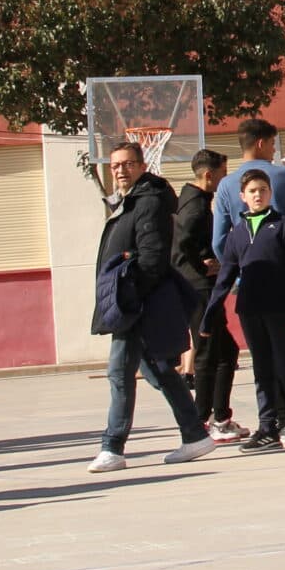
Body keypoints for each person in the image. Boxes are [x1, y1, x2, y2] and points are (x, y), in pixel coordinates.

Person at [89, 140, 214, 472]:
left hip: (138, 303)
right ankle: (194, 434)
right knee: (159, 371)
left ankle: (112, 447)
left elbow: (152, 256)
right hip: (135, 299)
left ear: (143, 166)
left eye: (128, 164)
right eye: (115, 165)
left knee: (119, 373)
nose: (120, 170)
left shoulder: (149, 200)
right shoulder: (132, 200)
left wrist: (130, 296)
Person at [211, 121, 285, 440]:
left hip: (248, 287)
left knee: (261, 362)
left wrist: (241, 267)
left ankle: (272, 423)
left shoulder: (225, 186)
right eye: (274, 143)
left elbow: (219, 241)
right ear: (263, 143)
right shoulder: (282, 176)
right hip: (282, 286)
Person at [175, 150, 244, 440]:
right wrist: (200, 266)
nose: (224, 179)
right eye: (222, 173)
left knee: (227, 351)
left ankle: (220, 416)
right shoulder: (193, 207)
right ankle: (201, 420)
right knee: (206, 353)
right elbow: (183, 242)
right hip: (199, 289)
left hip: (200, 288)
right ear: (208, 175)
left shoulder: (195, 200)